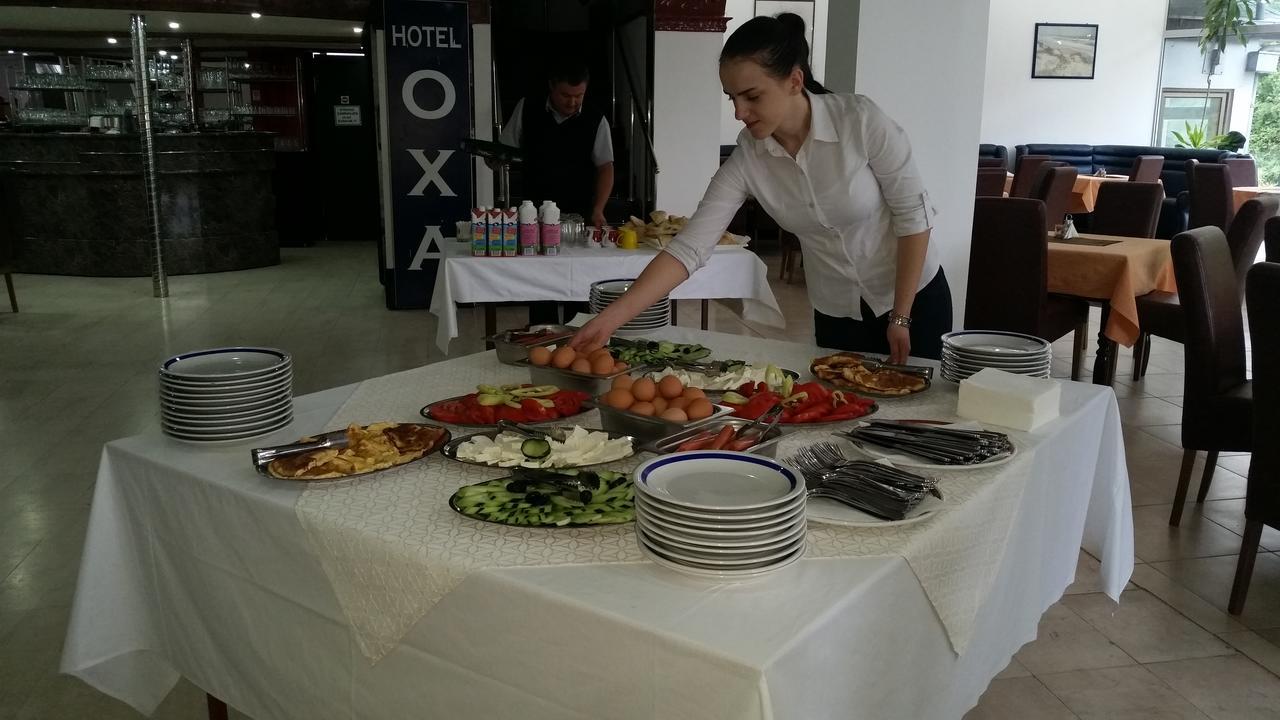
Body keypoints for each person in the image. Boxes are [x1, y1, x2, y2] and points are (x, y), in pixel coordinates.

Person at [570, 13, 951, 363]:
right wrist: (609, 320)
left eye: (752, 96)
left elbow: (913, 217)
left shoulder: (860, 121)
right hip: (837, 309)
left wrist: (901, 316)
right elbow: (689, 248)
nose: (739, 112)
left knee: (924, 410)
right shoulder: (749, 158)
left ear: (794, 81)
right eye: (732, 98)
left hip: (913, 298)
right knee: (845, 407)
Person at [500, 56, 614, 326]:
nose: (573, 102)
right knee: (541, 285)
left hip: (580, 213)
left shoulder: (596, 117)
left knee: (581, 286)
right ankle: (542, 338)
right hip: (535, 213)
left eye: (579, 96)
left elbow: (606, 166)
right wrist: (496, 158)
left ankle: (579, 340)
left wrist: (598, 209)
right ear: (551, 87)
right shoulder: (527, 108)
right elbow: (505, 150)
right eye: (566, 95)